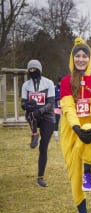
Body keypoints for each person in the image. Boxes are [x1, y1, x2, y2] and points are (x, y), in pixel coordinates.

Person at [59, 38, 91, 213]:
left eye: (84, 56)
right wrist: (76, 127)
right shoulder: (65, 82)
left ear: (89, 59)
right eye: (77, 56)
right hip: (70, 130)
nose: (81, 59)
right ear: (72, 58)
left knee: (88, 131)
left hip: (90, 126)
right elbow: (68, 107)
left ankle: (88, 172)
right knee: (73, 177)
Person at [21, 59, 55, 187]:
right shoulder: (26, 85)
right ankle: (34, 133)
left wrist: (39, 111)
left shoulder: (49, 83)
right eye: (30, 70)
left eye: (34, 69)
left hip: (47, 117)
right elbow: (23, 104)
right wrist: (27, 105)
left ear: (39, 69)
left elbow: (51, 103)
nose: (32, 71)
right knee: (30, 109)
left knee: (43, 147)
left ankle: (40, 177)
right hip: (33, 116)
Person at [53, 77, 62, 141]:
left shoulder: (65, 87)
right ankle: (56, 135)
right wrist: (59, 98)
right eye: (60, 82)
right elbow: (54, 97)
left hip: (65, 108)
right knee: (56, 121)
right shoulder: (55, 88)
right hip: (57, 108)